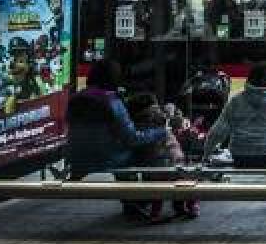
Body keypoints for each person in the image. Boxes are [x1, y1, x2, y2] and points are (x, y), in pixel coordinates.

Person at [65, 59, 168, 221]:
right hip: (106, 159)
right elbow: (132, 138)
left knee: (121, 147)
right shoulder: (111, 101)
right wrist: (161, 131)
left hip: (76, 158)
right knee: (145, 152)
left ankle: (132, 200)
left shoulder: (76, 99)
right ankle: (141, 199)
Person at [204, 61, 266, 211]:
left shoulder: (236, 100)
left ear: (249, 79)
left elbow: (217, 131)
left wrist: (207, 153)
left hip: (241, 157)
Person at [127, 92, 200, 221]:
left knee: (157, 190)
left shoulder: (134, 124)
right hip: (175, 160)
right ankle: (191, 206)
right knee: (186, 182)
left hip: (153, 166)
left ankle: (155, 213)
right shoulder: (162, 116)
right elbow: (175, 118)